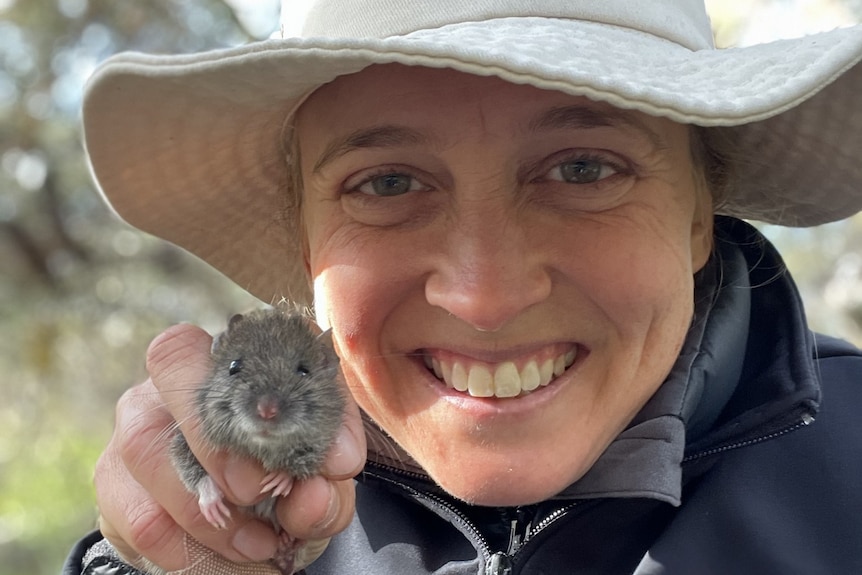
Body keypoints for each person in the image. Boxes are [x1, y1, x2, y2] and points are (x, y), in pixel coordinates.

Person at [64, 1, 862, 573]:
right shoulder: (251, 497)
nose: (486, 295)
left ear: (699, 213)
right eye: (387, 183)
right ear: (305, 241)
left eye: (583, 168)